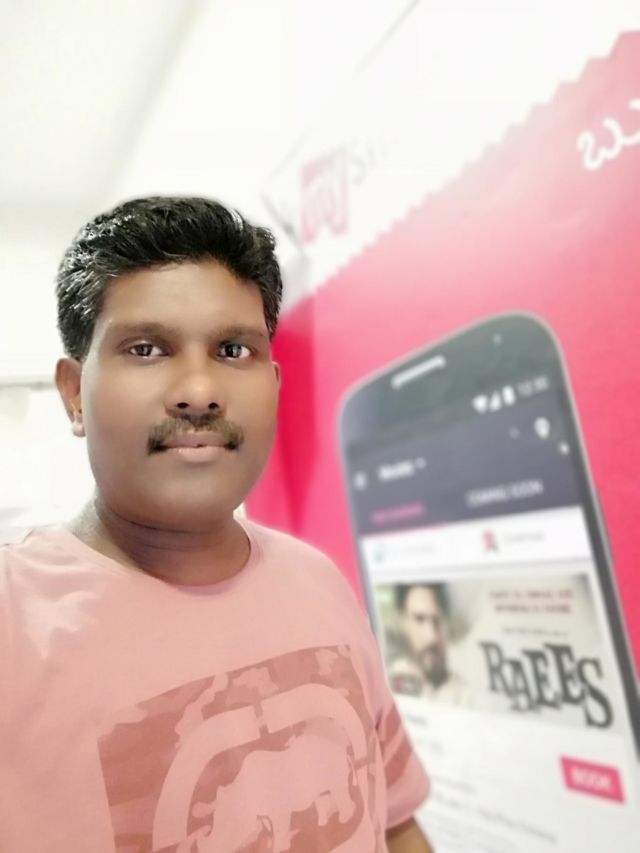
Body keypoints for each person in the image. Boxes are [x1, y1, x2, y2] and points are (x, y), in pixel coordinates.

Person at [0, 197, 434, 852]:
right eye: (147, 348)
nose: (199, 391)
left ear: (274, 383)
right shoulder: (16, 619)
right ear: (73, 393)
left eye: (234, 350)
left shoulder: (317, 578)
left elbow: (394, 821)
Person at [389, 583, 468, 705]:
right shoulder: (388, 680)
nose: (431, 637)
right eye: (419, 619)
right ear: (403, 623)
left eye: (437, 620)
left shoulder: (465, 696)